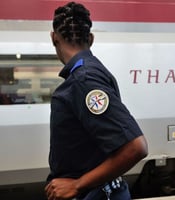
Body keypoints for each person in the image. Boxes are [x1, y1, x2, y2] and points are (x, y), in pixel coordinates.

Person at [45, 2, 148, 200]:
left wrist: (77, 184)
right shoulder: (94, 72)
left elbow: (136, 147)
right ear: (91, 39)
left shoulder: (83, 80)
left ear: (53, 37)